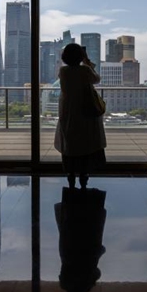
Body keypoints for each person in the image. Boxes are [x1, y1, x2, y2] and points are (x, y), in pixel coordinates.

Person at [54, 43, 107, 189]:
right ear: (81, 56)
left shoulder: (63, 71)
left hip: (68, 109)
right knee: (86, 140)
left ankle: (70, 173)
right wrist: (88, 62)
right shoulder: (85, 70)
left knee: (70, 139)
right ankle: (84, 173)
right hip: (85, 109)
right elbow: (96, 79)